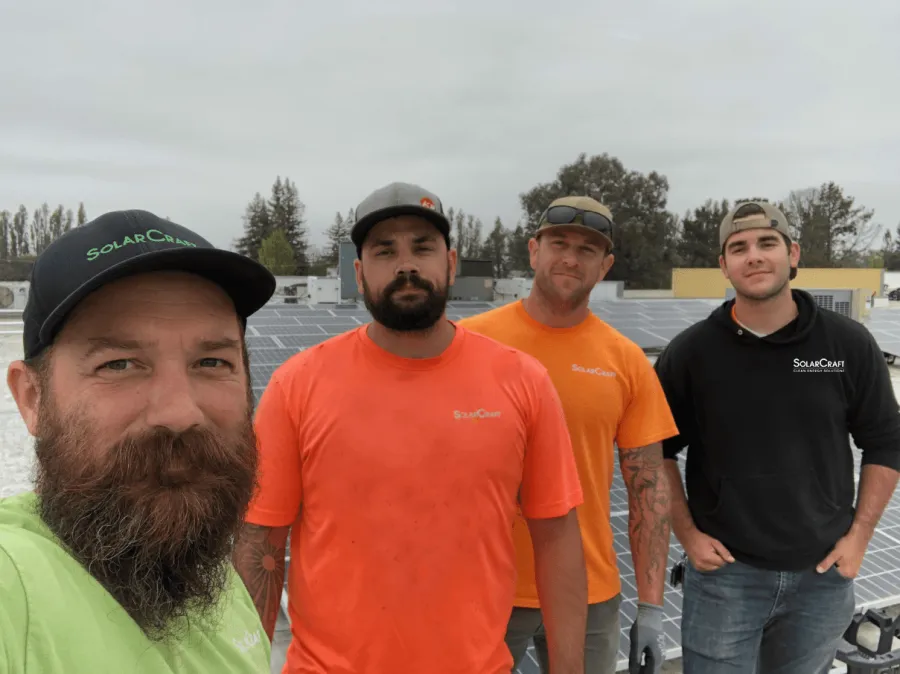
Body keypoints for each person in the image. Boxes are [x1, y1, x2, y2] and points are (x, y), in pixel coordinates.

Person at [232, 182, 588, 674]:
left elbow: (557, 540)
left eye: (423, 247)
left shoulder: (522, 382)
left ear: (451, 263)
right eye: (385, 251)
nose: (406, 264)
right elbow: (261, 545)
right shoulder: (298, 386)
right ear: (359, 273)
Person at [0, 210, 277, 672]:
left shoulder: (204, 571)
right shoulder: (14, 589)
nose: (180, 413)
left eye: (211, 362)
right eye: (119, 364)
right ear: (32, 398)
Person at [654, 200, 900, 673]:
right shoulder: (692, 354)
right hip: (726, 580)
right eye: (738, 248)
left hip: (823, 577)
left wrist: (860, 536)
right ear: (724, 266)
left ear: (793, 254)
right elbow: (656, 452)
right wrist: (687, 534)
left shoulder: (846, 345)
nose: (754, 256)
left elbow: (885, 442)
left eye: (767, 243)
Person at [460, 196, 678, 674]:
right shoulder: (467, 344)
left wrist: (652, 605)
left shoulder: (626, 362)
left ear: (606, 266)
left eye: (587, 250)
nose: (571, 258)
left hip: (590, 593)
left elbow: (648, 489)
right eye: (559, 243)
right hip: (483, 587)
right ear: (534, 250)